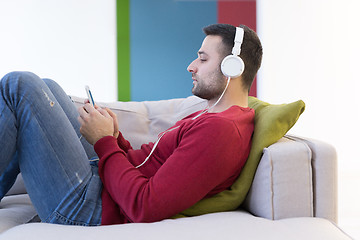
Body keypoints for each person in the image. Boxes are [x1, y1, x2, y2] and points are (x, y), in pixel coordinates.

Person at [0, 23, 263, 226]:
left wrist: (104, 143)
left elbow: (144, 206)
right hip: (105, 186)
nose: (191, 66)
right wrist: (115, 139)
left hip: (91, 207)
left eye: (203, 59)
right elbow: (147, 162)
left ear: (232, 68)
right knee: (48, 87)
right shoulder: (212, 117)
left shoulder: (222, 132)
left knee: (20, 86)